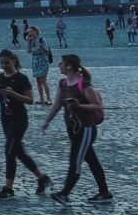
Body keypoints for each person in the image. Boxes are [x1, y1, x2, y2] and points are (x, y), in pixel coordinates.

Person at [40, 54, 111, 203]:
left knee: (75, 160)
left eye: (62, 63)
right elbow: (58, 104)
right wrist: (47, 121)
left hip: (85, 129)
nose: (59, 64)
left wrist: (79, 106)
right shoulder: (63, 83)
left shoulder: (84, 84)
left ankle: (64, 193)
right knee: (92, 161)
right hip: (72, 128)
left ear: (69, 66)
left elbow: (97, 105)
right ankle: (105, 193)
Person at [0, 48, 47, 199]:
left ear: (14, 61)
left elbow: (30, 100)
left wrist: (12, 94)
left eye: (7, 62)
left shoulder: (21, 78)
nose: (4, 65)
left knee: (9, 150)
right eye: (2, 63)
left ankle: (8, 188)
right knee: (18, 152)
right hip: (6, 120)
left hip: (19, 120)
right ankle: (42, 178)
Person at [26, 25, 54, 98]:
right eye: (29, 32)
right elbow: (28, 51)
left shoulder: (42, 39)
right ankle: (41, 99)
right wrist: (28, 41)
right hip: (35, 61)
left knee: (43, 80)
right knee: (38, 81)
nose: (30, 33)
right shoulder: (31, 41)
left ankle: (48, 98)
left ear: (36, 32)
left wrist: (42, 47)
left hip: (43, 60)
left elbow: (47, 52)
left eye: (31, 31)